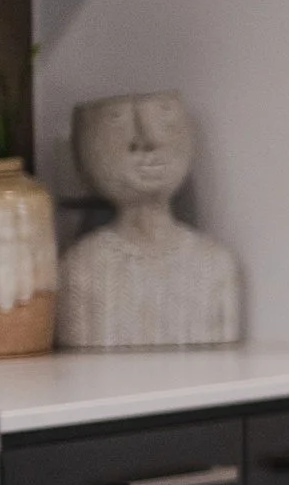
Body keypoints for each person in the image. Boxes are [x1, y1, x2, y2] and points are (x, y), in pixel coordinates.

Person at [56, 92, 242, 349]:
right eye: (116, 122)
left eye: (165, 119)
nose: (145, 141)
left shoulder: (215, 264)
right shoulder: (81, 267)